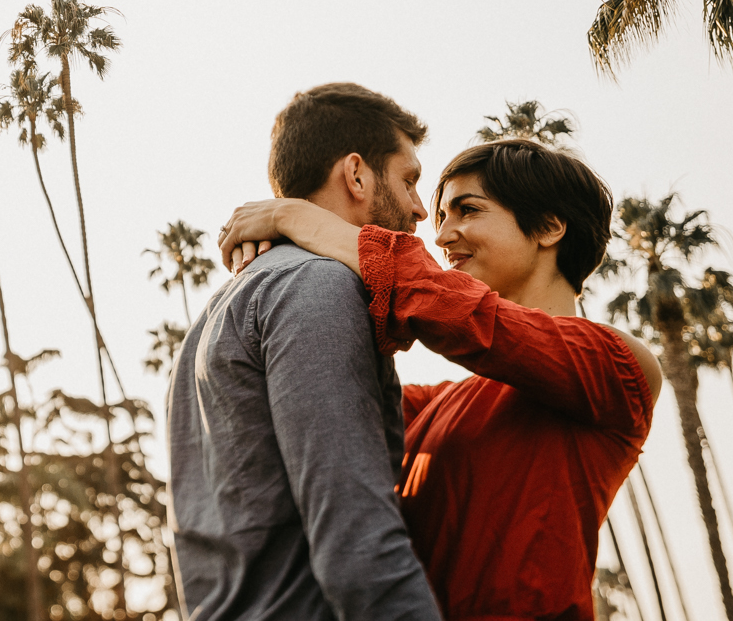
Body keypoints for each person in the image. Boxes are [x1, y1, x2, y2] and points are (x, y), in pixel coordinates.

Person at [216, 135, 663, 621]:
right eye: (443, 217)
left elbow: (458, 313)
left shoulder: (621, 366)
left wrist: (292, 216)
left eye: (468, 211)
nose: (443, 236)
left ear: (550, 227)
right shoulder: (430, 406)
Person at [164, 83, 444, 621]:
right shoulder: (318, 289)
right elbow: (359, 550)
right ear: (356, 174)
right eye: (409, 180)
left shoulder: (215, 314)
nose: (419, 209)